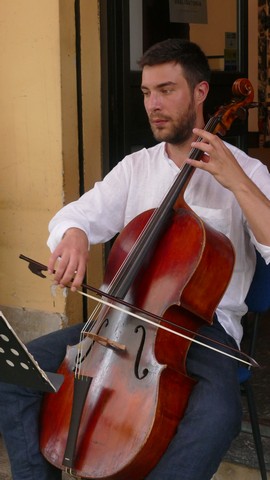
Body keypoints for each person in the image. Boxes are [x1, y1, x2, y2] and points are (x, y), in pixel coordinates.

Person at [1, 38, 270, 480]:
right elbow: (79, 214)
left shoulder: (248, 172)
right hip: (119, 315)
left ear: (201, 93)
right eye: (147, 93)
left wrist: (237, 182)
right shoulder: (136, 168)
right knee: (15, 375)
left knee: (218, 414)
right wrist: (72, 234)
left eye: (166, 90)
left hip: (203, 328)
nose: (153, 105)